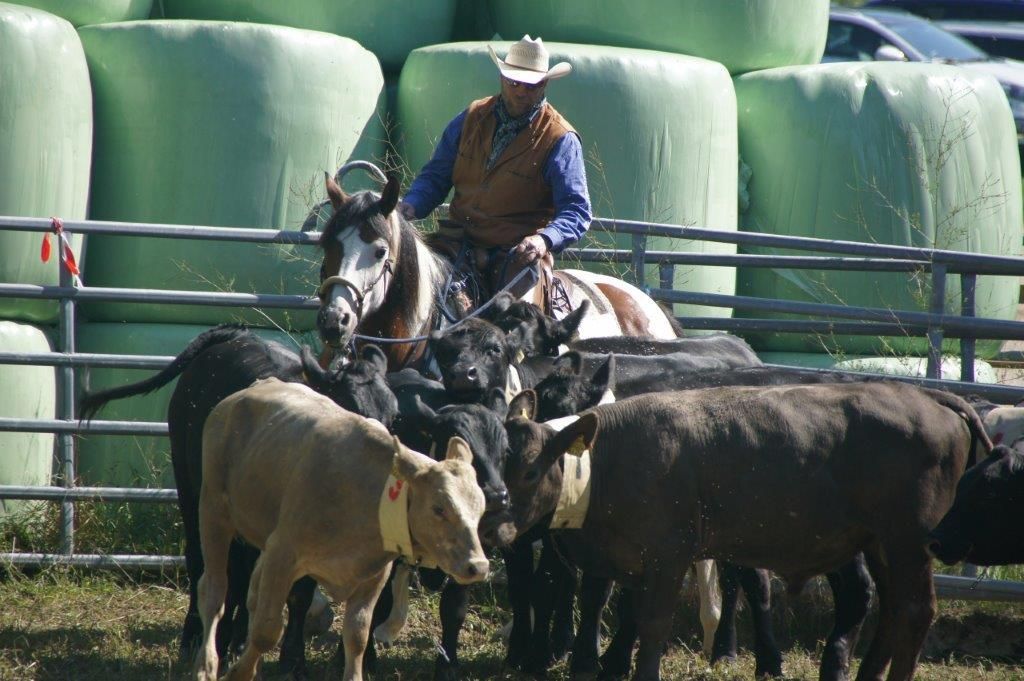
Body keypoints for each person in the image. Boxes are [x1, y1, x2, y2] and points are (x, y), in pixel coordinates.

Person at [397, 34, 592, 313]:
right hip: (457, 242)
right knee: (407, 291)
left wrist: (543, 240)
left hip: (516, 254)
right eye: (514, 82)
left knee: (509, 325)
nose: (521, 92)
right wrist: (412, 204)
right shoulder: (471, 117)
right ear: (502, 78)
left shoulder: (559, 138)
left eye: (531, 85)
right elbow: (436, 176)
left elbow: (576, 211)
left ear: (544, 84)